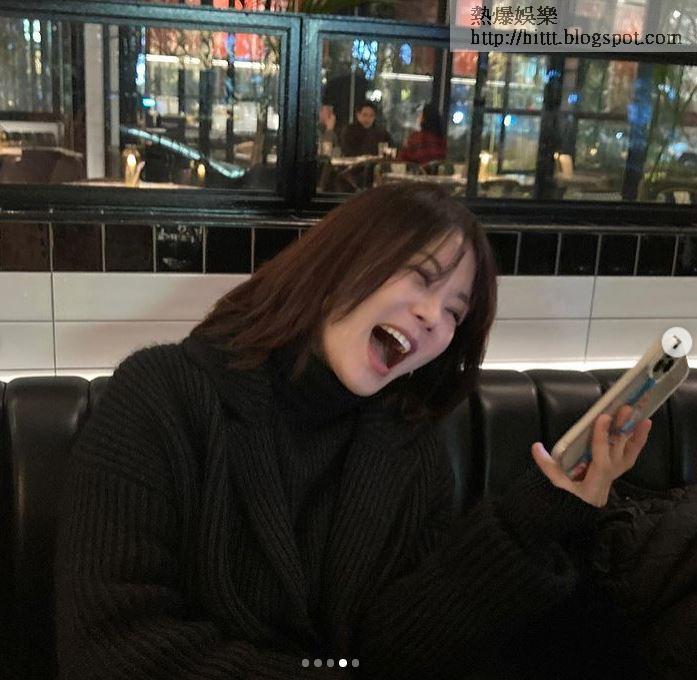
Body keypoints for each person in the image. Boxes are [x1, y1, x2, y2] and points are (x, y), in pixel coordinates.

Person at [54, 183, 652, 680]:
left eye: (454, 311)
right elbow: (110, 648)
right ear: (339, 263)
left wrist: (532, 521)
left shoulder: (408, 446)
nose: (433, 318)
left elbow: (388, 649)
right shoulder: (162, 396)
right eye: (420, 277)